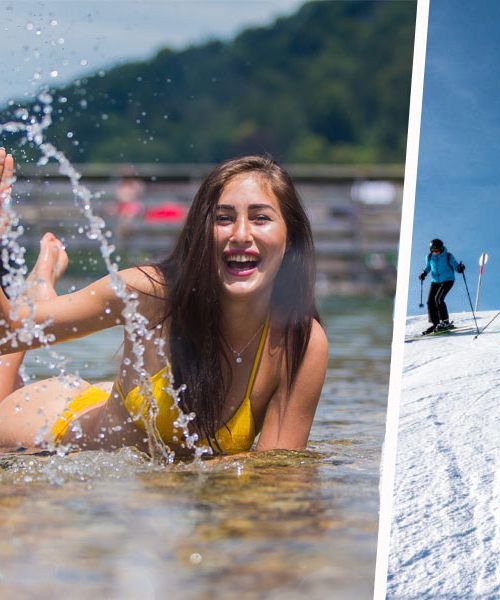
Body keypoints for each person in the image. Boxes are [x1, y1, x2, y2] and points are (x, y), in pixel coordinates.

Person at [0, 148, 328, 455]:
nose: (241, 234)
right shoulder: (149, 295)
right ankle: (37, 295)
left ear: (291, 236)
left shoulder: (299, 343)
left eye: (260, 218)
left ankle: (39, 297)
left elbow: (276, 474)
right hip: (46, 427)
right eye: (223, 218)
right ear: (200, 232)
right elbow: (7, 332)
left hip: (116, 421)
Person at [418, 238, 464, 334]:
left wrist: (459, 268)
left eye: (438, 250)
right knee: (430, 301)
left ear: (442, 248)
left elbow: (455, 266)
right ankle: (436, 323)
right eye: (433, 250)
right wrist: (424, 273)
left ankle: (445, 322)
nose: (436, 252)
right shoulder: (429, 257)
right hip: (435, 281)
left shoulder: (448, 256)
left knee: (438, 299)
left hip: (448, 280)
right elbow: (428, 267)